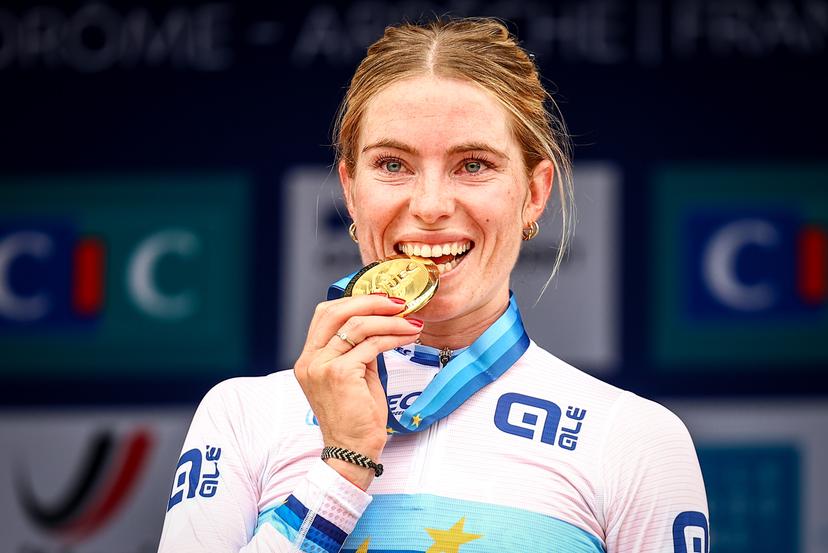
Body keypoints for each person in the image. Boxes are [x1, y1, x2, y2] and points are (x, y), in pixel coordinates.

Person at [158, 17, 709, 553]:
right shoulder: (244, 416)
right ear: (351, 190)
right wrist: (343, 467)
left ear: (534, 194)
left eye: (473, 165)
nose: (429, 206)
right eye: (393, 164)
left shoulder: (634, 438)